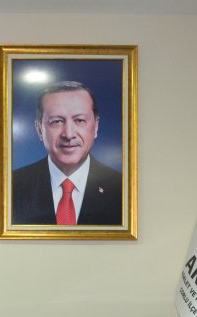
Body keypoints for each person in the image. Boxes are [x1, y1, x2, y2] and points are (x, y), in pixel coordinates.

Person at [11, 81, 122, 226]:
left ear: (96, 127)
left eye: (80, 120)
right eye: (57, 121)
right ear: (39, 130)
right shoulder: (12, 186)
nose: (69, 134)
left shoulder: (122, 189)